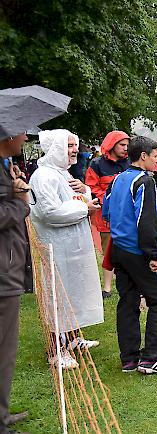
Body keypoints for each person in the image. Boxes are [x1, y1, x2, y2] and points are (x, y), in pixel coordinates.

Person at [29, 130, 104, 369]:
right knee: (57, 296)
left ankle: (72, 339)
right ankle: (55, 350)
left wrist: (84, 191)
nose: (74, 150)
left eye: (75, 145)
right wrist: (85, 209)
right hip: (57, 247)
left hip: (73, 246)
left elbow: (79, 201)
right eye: (69, 145)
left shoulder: (63, 174)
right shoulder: (44, 177)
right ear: (55, 148)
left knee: (74, 292)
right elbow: (49, 212)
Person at [103, 136, 157, 374]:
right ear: (143, 156)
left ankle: (129, 359)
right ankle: (151, 358)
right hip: (138, 251)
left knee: (128, 301)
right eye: (156, 156)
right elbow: (146, 220)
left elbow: (106, 212)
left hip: (119, 250)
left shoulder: (116, 180)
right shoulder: (144, 181)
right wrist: (154, 254)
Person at [0, 132, 32, 433]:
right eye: (20, 133)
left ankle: (2, 412)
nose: (24, 138)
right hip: (2, 275)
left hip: (6, 270)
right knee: (4, 349)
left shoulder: (4, 165)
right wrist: (21, 200)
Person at [85, 131, 129, 298]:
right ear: (112, 145)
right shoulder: (96, 164)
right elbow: (91, 187)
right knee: (108, 250)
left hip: (126, 215)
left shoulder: (129, 163)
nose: (126, 149)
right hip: (107, 216)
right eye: (122, 145)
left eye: (127, 145)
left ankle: (125, 283)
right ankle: (107, 288)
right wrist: (110, 200)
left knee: (127, 249)